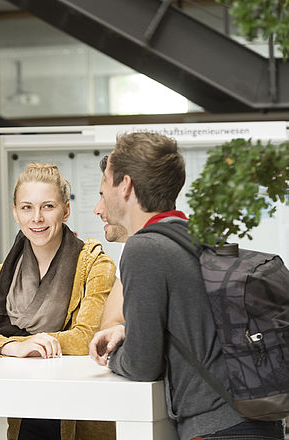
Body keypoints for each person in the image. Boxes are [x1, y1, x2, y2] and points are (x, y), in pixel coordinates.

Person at [88, 132, 284, 440]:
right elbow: (194, 321)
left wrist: (113, 357)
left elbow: (142, 365)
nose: (99, 208)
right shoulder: (192, 236)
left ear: (125, 186)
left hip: (219, 429)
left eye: (103, 191)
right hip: (253, 423)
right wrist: (128, 329)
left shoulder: (144, 249)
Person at [0, 163, 116, 440]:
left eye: (48, 207)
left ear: (66, 210)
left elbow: (87, 337)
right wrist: (13, 347)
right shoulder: (5, 273)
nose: (37, 218)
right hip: (25, 410)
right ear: (15, 212)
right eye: (27, 207)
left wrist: (29, 345)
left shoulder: (95, 264)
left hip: (80, 411)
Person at [93, 155, 126, 330]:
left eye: (104, 197)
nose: (97, 209)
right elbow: (108, 325)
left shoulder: (151, 251)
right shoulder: (129, 246)